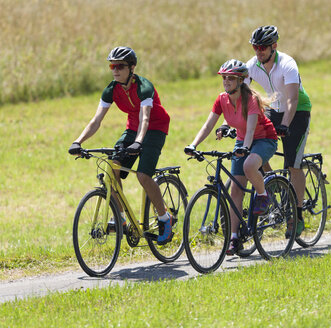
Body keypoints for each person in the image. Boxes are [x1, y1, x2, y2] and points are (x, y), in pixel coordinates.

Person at [68, 46, 174, 244]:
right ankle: (121, 219)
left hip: (155, 128)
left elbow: (145, 118)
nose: (115, 70)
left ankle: (164, 218)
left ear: (131, 68)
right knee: (113, 168)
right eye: (112, 66)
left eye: (120, 66)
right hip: (133, 129)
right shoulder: (112, 89)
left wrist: (138, 143)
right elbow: (96, 120)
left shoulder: (144, 87)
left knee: (143, 175)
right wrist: (78, 141)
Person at [184, 59, 278, 255]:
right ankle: (234, 237)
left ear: (241, 80)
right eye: (224, 77)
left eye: (231, 78)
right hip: (243, 140)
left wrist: (244, 149)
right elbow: (208, 125)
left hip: (264, 139)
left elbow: (251, 129)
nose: (226, 81)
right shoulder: (221, 99)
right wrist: (193, 144)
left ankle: (263, 195)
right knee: (235, 189)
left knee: (250, 166)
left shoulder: (250, 99)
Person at [245, 25, 312, 238]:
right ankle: (275, 186)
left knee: (293, 164)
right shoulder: (252, 65)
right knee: (258, 151)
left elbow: (292, 99)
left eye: (263, 47)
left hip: (298, 111)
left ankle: (297, 215)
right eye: (256, 47)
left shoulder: (287, 64)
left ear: (274, 46)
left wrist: (284, 124)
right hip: (274, 110)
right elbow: (242, 95)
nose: (259, 51)